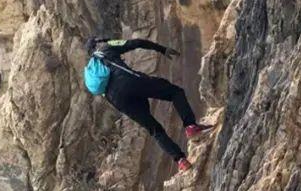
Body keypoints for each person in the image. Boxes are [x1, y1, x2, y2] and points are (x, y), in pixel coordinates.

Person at [86, 37, 214, 172]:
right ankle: (190, 126)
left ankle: (181, 161)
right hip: (130, 82)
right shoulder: (106, 47)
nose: (106, 40)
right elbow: (137, 43)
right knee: (175, 92)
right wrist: (162, 49)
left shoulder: (92, 71)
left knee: (154, 129)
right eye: (102, 39)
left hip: (118, 101)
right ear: (97, 43)